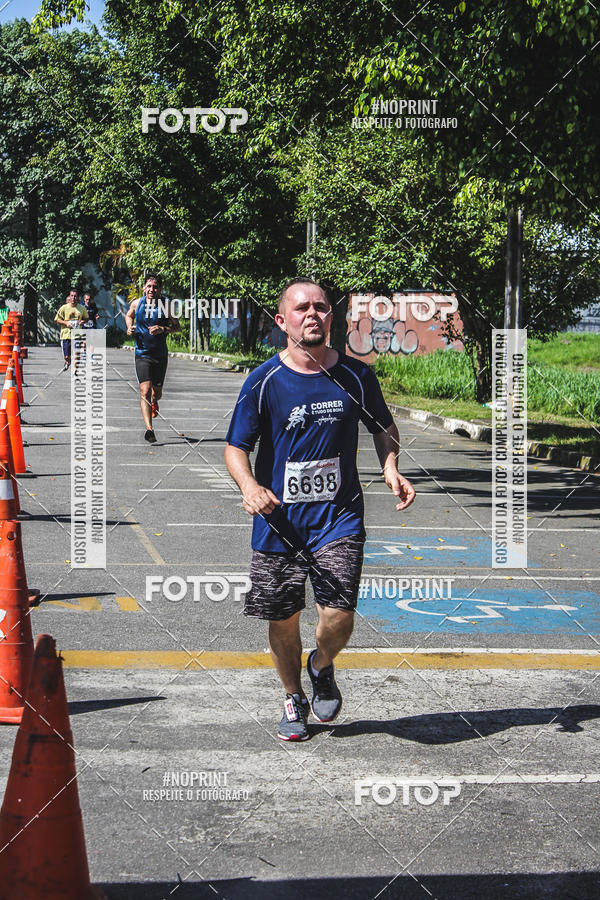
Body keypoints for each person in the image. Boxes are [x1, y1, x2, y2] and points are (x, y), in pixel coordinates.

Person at [224, 277, 415, 742]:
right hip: (279, 522)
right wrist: (249, 486)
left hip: (339, 517)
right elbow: (235, 447)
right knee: (282, 617)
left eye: (322, 307)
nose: (313, 314)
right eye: (303, 308)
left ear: (333, 317)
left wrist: (390, 465)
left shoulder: (356, 376)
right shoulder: (264, 380)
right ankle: (293, 696)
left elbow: (383, 428)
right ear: (282, 320)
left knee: (339, 615)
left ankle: (322, 663)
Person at [124, 273, 180, 443]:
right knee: (145, 391)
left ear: (160, 289)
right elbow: (128, 315)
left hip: (160, 355)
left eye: (155, 287)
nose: (151, 289)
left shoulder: (166, 305)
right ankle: (149, 429)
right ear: (144, 288)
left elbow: (177, 327)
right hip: (141, 354)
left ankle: (155, 402)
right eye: (148, 286)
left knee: (156, 393)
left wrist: (163, 329)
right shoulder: (137, 303)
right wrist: (129, 328)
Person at [54, 289, 89, 371]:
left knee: (77, 355)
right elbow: (57, 319)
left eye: (75, 296)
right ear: (69, 297)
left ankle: (76, 371)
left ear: (78, 297)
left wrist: (82, 322)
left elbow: (87, 318)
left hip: (77, 335)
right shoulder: (64, 308)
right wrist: (66, 323)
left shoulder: (82, 308)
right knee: (67, 356)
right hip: (66, 335)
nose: (73, 298)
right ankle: (67, 362)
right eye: (72, 296)